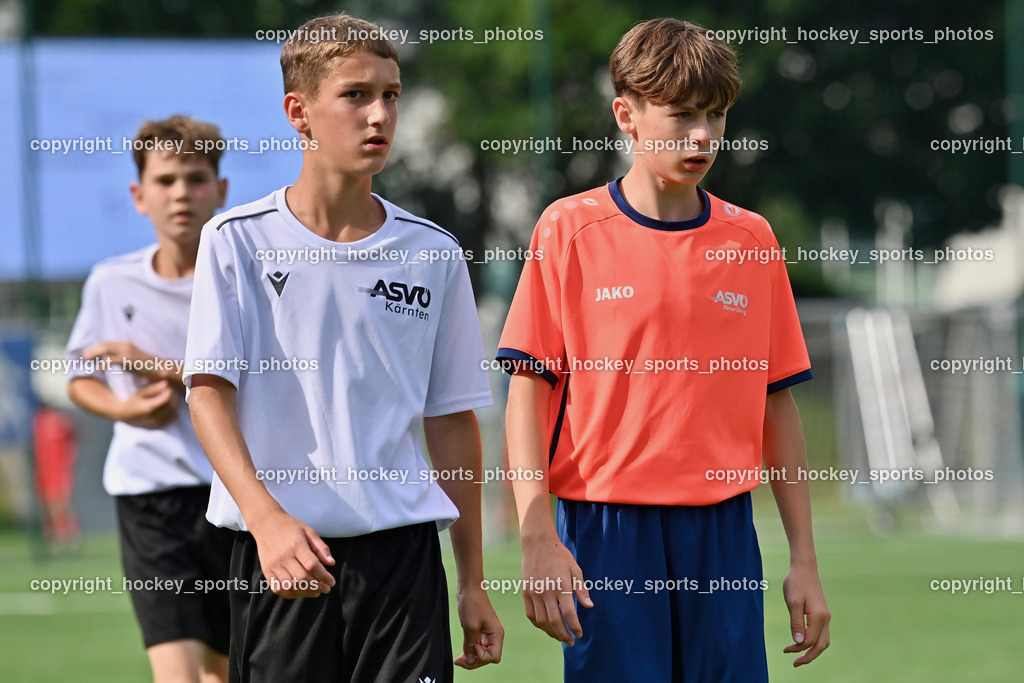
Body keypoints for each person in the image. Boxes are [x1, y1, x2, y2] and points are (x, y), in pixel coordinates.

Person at [497, 18, 831, 681]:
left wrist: (805, 559)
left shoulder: (752, 239)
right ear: (627, 114)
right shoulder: (570, 229)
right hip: (605, 527)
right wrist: (538, 533)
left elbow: (776, 403)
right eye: (681, 115)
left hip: (724, 531)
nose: (702, 135)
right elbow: (527, 391)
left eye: (715, 115)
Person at [183, 13, 503, 682]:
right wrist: (267, 521)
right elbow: (208, 394)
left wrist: (472, 579)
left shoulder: (434, 254)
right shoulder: (235, 239)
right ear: (298, 113)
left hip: (404, 566)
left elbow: (451, 423)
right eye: (355, 94)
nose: (379, 114)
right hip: (285, 555)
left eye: (390, 94)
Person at [66, 115, 232, 682]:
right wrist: (126, 409)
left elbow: (260, 378)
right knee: (179, 676)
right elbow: (79, 376)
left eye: (195, 177)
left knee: (228, 670)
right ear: (139, 196)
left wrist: (157, 367)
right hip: (150, 501)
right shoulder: (109, 282)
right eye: (165, 180)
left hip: (236, 497)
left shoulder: (246, 280)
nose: (181, 192)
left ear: (222, 190)